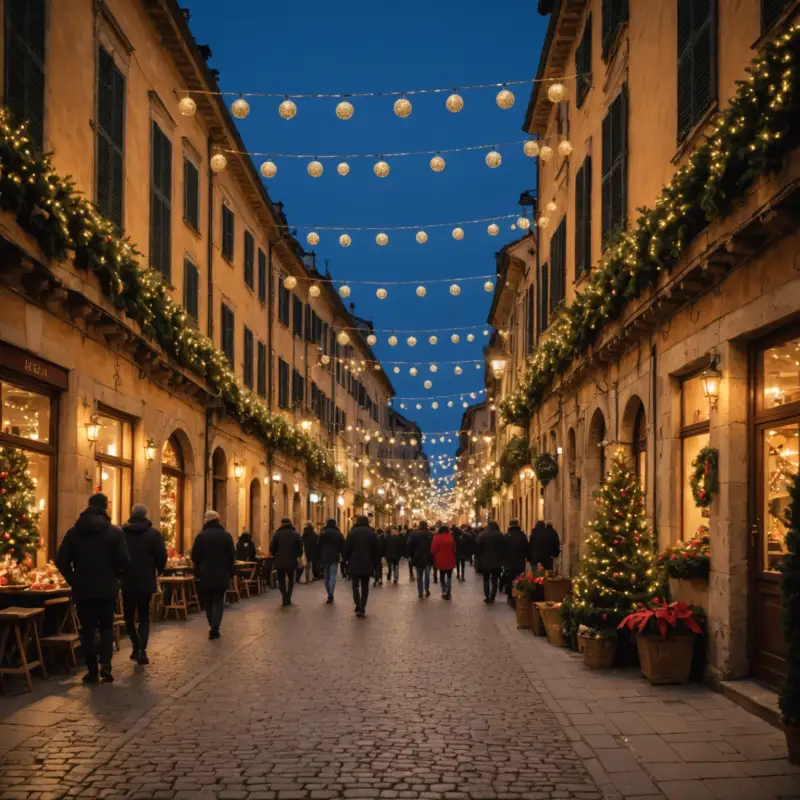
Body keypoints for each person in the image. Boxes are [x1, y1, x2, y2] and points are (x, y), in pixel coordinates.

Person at [56, 493, 129, 684]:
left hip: (84, 590)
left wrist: (74, 579)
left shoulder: (74, 532)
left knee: (87, 631)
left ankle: (92, 671)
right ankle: (105, 665)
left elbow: (61, 560)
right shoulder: (115, 532)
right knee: (106, 627)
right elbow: (125, 560)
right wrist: (117, 578)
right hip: (107, 590)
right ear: (106, 508)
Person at [121, 504, 167, 666]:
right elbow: (161, 556)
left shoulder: (122, 533)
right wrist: (157, 571)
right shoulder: (153, 534)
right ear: (146, 515)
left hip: (127, 580)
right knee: (144, 616)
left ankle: (136, 645)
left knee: (128, 617)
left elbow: (117, 555)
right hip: (146, 580)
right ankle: (141, 650)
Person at [191, 510, 235, 639]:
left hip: (206, 573)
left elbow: (194, 556)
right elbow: (232, 556)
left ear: (206, 521)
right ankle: (215, 626)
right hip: (222, 573)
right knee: (219, 601)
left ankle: (212, 624)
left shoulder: (201, 537)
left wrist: (200, 566)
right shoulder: (226, 536)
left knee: (208, 601)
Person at [344, 515, 379, 617]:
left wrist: (346, 560)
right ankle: (362, 607)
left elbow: (346, 548)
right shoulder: (372, 534)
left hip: (354, 562)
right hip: (367, 563)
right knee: (365, 586)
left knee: (355, 585)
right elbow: (376, 551)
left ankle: (357, 604)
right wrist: (376, 564)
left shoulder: (352, 533)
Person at [270, 517, 303, 606]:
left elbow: (272, 548)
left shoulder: (277, 534)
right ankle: (288, 597)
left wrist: (275, 554)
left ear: (281, 523)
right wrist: (297, 555)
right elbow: (300, 548)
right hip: (292, 561)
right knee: (291, 580)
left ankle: (285, 597)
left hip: (280, 561)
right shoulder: (296, 534)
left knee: (281, 580)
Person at [477, 520, 505, 603]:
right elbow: (503, 548)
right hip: (497, 561)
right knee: (494, 579)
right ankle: (492, 596)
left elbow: (478, 549)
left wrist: (479, 560)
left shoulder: (482, 535)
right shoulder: (500, 534)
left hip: (485, 561)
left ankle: (487, 596)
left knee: (485, 579)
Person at [318, 518, 344, 603]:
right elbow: (342, 546)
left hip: (324, 557)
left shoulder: (322, 533)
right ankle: (331, 595)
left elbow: (318, 545)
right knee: (332, 576)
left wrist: (318, 556)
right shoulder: (338, 534)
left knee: (326, 576)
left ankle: (329, 594)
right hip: (334, 557)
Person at [504, 518, 529, 603]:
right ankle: (519, 594)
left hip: (509, 562)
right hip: (520, 561)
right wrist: (526, 556)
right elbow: (526, 548)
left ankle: (510, 595)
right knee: (519, 578)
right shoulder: (522, 536)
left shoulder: (506, 536)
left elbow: (503, 549)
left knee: (510, 579)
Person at [407, 520, 433, 599]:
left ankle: (420, 592)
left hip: (418, 557)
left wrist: (409, 556)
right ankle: (427, 589)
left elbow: (409, 545)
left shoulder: (414, 534)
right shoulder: (430, 534)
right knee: (427, 575)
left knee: (419, 575)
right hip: (428, 557)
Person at [431, 525, 456, 600]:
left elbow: (433, 549)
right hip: (450, 559)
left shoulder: (437, 538)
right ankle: (449, 590)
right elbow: (454, 549)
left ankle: (444, 591)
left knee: (442, 575)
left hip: (440, 559)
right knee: (449, 575)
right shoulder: (451, 537)